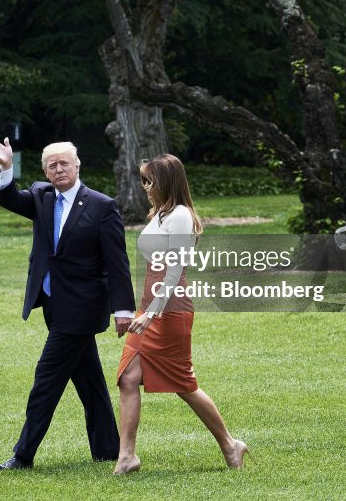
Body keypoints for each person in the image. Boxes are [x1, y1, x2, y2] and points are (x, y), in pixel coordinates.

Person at [0, 134, 136, 470]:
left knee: (46, 379)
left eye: (64, 162)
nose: (58, 169)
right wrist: (7, 166)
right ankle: (108, 449)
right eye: (52, 165)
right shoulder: (41, 196)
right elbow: (9, 199)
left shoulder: (101, 205)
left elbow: (117, 262)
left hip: (82, 307)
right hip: (53, 303)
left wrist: (123, 309)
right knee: (90, 381)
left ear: (77, 166)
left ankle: (23, 455)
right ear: (45, 171)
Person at [114, 154, 248, 474]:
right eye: (144, 180)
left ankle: (231, 445)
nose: (146, 187)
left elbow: (175, 271)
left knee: (183, 384)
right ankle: (127, 456)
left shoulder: (181, 216)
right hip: (150, 304)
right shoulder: (160, 213)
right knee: (128, 379)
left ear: (167, 182)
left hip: (169, 310)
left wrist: (151, 314)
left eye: (151, 181)